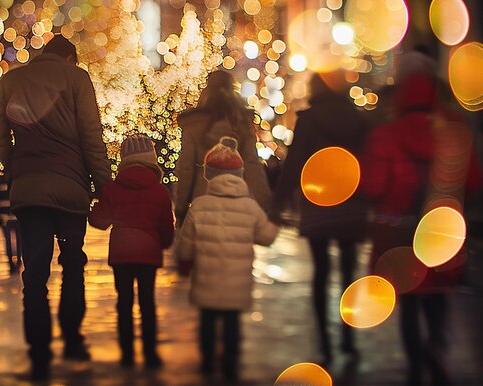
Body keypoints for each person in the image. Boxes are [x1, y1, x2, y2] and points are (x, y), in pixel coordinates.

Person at [0, 35, 111, 381]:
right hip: (71, 192)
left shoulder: (12, 79)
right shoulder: (77, 78)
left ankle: (39, 353)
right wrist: (103, 186)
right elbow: (91, 135)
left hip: (30, 192)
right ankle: (72, 340)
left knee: (35, 276)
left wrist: (14, 164)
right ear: (70, 58)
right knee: (73, 265)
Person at [361, 72, 482, 386]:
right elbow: (473, 181)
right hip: (440, 228)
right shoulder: (453, 131)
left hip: (398, 230)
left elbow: (373, 187)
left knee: (410, 301)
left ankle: (415, 363)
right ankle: (438, 347)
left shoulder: (386, 134)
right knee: (439, 295)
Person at [273, 71, 370, 364]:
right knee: (348, 274)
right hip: (352, 205)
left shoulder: (309, 120)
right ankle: (349, 339)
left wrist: (278, 201)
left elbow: (295, 162)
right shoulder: (360, 119)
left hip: (318, 204)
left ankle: (325, 343)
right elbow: (367, 160)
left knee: (321, 273)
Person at [176, 137, 278, 382]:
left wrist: (185, 262)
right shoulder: (250, 207)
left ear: (209, 175)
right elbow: (266, 237)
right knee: (232, 323)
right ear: (240, 174)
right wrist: (275, 224)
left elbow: (186, 244)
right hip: (236, 284)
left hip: (207, 280)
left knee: (207, 321)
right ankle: (231, 362)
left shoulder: (199, 205)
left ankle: (208, 362)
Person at [89, 134, 175, 368]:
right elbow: (167, 226)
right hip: (148, 253)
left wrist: (96, 205)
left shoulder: (113, 189)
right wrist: (163, 243)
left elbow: (99, 222)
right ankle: (150, 353)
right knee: (147, 303)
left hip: (122, 254)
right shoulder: (160, 192)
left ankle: (127, 353)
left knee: (124, 303)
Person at [175, 69, 272, 226]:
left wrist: (181, 208)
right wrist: (265, 203)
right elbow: (253, 166)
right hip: (237, 201)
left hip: (203, 202)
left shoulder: (195, 124)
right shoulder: (241, 124)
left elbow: (186, 168)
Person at [0, 169, 21, 274]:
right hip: (16, 214)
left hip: (3, 215)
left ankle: (11, 261)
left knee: (8, 239)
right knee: (19, 239)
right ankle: (18, 260)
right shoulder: (16, 176)